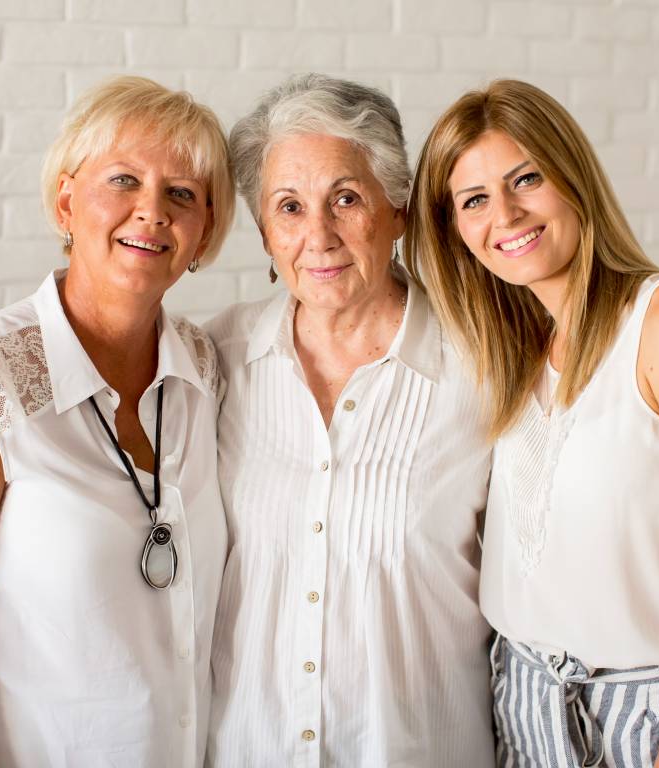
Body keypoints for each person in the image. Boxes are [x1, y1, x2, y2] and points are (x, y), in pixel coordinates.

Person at [406, 79, 659, 767]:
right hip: (523, 698)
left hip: (650, 714)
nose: (506, 214)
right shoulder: (515, 350)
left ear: (573, 175)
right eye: (474, 200)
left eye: (527, 179)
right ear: (455, 228)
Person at [0, 75, 235, 767]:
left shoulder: (206, 370)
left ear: (205, 231)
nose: (152, 211)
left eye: (181, 194)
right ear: (67, 202)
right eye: (124, 180)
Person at [204, 73, 497, 767]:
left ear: (397, 210)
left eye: (345, 198)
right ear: (264, 232)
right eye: (289, 207)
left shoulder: (483, 367)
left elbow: (570, 527)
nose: (319, 235)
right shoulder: (214, 361)